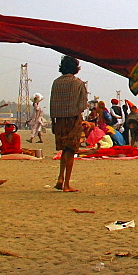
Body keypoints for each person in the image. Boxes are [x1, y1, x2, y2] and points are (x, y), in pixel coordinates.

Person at [50, 55, 88, 192]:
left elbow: (52, 103)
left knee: (64, 150)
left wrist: (54, 121)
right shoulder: (78, 83)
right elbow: (83, 104)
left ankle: (60, 178)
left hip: (58, 119)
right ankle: (66, 184)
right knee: (70, 150)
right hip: (73, 118)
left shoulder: (56, 82)